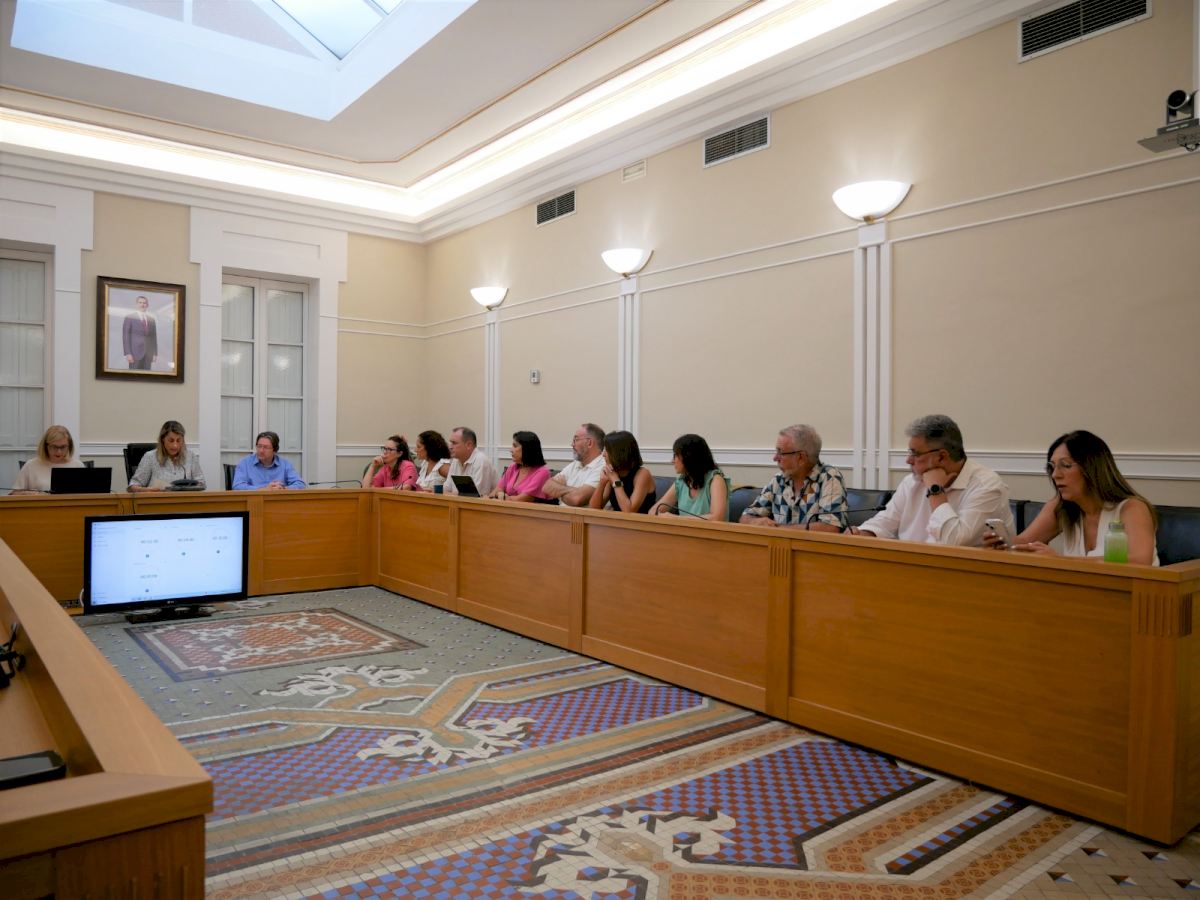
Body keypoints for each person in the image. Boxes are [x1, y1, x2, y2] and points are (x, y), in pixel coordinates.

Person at [985, 430, 1158, 565]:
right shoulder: (1060, 506)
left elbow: (1139, 561)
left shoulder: (1132, 508)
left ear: (1092, 468)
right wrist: (1003, 544)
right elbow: (1024, 542)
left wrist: (1061, 561)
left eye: (1066, 466)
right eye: (1052, 467)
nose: (1055, 475)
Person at [848, 414, 1011, 545]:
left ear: (941, 456)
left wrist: (935, 490)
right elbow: (884, 523)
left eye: (915, 453)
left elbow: (954, 542)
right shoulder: (911, 482)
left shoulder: (987, 486)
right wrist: (863, 533)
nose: (908, 460)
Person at [740, 424, 846, 531]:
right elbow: (746, 517)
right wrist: (753, 521)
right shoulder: (779, 480)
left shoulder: (829, 478)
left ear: (801, 457)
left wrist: (777, 530)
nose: (775, 458)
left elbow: (831, 527)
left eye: (780, 452)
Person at [652, 433, 731, 521]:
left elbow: (717, 518)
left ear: (689, 457)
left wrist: (676, 519)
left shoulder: (716, 480)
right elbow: (654, 511)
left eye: (676, 455)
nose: (672, 461)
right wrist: (658, 515)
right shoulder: (681, 481)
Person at [589, 430, 657, 513]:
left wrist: (616, 481)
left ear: (619, 453)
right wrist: (602, 482)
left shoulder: (643, 474)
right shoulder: (613, 473)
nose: (603, 454)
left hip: (640, 521)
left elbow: (629, 511)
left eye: (607, 450)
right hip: (617, 521)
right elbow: (593, 509)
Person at [128, 420, 206, 491]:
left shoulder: (190, 456)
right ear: (163, 439)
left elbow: (202, 483)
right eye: (171, 440)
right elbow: (132, 486)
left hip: (185, 501)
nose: (175, 445)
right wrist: (148, 490)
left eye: (178, 440)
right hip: (157, 500)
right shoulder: (150, 457)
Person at [542, 423, 606, 506]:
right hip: (560, 513)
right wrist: (573, 491)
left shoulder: (603, 466)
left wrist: (559, 490)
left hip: (580, 515)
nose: (572, 444)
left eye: (576, 440)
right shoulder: (575, 463)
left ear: (589, 443)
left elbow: (577, 499)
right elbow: (546, 487)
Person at [10, 425, 85, 494]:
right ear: (45, 446)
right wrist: (25, 493)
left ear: (69, 446)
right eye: (54, 447)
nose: (59, 451)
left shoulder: (77, 465)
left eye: (63, 447)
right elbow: (13, 494)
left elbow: (87, 494)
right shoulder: (31, 465)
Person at [489, 431, 552, 502]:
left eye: (515, 446)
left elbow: (522, 500)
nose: (511, 450)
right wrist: (497, 494)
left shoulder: (543, 472)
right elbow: (495, 492)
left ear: (527, 448)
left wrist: (502, 496)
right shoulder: (512, 467)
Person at [232, 431, 306, 490]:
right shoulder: (245, 463)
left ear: (275, 450)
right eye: (259, 446)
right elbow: (237, 486)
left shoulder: (285, 464)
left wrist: (283, 489)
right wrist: (262, 490)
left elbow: (300, 484)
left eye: (266, 447)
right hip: (254, 502)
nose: (261, 450)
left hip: (278, 502)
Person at [442, 426, 499, 496]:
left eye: (454, 443)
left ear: (469, 445)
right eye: (450, 442)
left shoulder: (481, 461)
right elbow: (446, 488)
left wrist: (452, 494)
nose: (450, 447)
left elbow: (476, 496)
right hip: (458, 502)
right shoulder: (456, 460)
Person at [122, 294, 157, 370]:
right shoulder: (129, 317)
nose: (142, 305)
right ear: (137, 304)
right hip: (134, 354)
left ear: (147, 305)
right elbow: (126, 337)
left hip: (148, 354)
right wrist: (128, 353)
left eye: (144, 303)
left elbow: (154, 338)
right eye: (140, 302)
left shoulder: (152, 320)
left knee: (146, 376)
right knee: (134, 375)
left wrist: (155, 353)